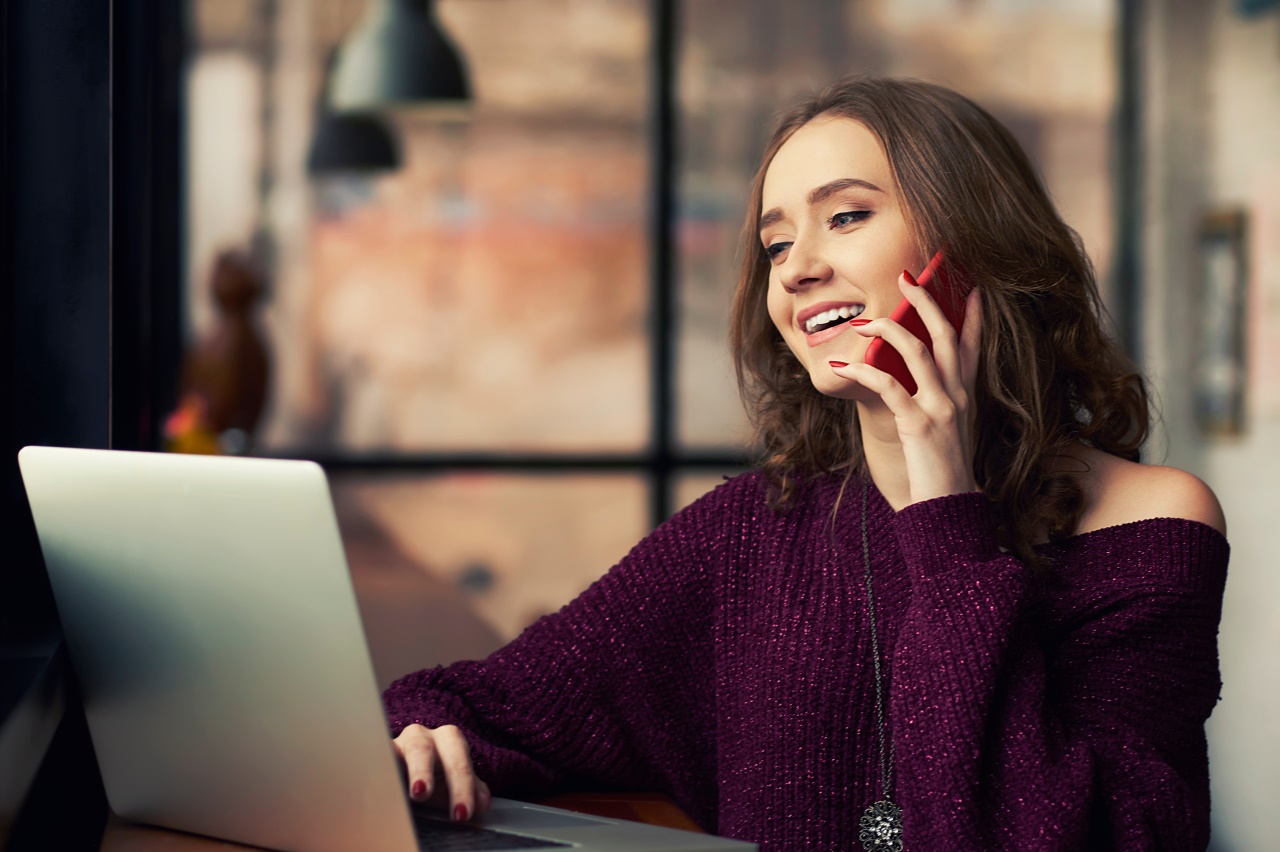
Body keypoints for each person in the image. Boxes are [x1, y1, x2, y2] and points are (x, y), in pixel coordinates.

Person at [383, 76, 1229, 851]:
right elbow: (484, 701)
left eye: (847, 216)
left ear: (972, 246)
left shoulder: (1151, 524)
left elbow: (1061, 834)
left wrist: (944, 506)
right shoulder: (748, 532)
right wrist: (422, 733)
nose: (798, 271)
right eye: (776, 245)